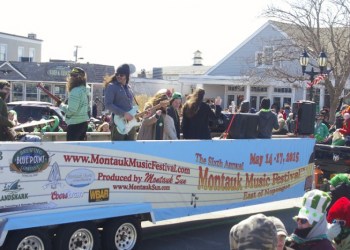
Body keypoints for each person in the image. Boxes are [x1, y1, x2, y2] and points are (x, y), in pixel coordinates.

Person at [104, 63, 138, 141]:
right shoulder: (112, 87)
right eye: (117, 74)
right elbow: (108, 104)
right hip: (118, 124)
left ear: (127, 76)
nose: (118, 76)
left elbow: (130, 106)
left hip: (130, 124)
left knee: (131, 149)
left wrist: (140, 113)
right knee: (117, 150)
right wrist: (124, 114)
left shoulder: (129, 88)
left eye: (121, 75)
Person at [58, 67, 89, 141]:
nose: (71, 78)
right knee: (79, 150)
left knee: (72, 150)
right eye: (71, 75)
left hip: (75, 124)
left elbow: (71, 110)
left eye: (74, 76)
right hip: (83, 123)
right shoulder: (85, 90)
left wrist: (61, 105)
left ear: (79, 78)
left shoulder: (75, 91)